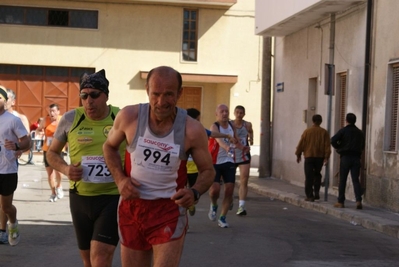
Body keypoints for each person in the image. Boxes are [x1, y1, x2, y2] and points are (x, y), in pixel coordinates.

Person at [102, 66, 215, 267]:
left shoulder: (191, 129)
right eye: (156, 94)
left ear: (180, 93)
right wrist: (120, 180)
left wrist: (194, 192)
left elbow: (208, 171)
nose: (161, 102)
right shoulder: (129, 117)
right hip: (132, 207)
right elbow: (109, 147)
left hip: (169, 211)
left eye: (169, 94)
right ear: (147, 90)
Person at [46, 69, 124, 267]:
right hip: (80, 198)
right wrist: (66, 170)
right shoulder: (71, 119)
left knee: (100, 258)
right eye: (84, 95)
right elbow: (51, 153)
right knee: (88, 261)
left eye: (95, 95)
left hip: (113, 197)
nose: (89, 100)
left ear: (106, 95)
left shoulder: (121, 117)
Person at [186, 108, 235, 216]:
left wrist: (226, 135)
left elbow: (212, 134)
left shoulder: (198, 129)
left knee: (192, 193)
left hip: (193, 167)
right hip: (181, 166)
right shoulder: (178, 129)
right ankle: (183, 221)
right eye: (198, 119)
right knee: (181, 193)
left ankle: (191, 204)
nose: (199, 122)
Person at [208, 104, 249, 228]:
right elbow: (219, 141)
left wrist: (243, 148)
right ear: (217, 114)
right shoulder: (215, 126)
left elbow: (235, 140)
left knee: (229, 190)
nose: (225, 113)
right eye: (222, 111)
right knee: (214, 191)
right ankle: (214, 204)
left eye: (226, 111)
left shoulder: (231, 126)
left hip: (229, 161)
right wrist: (226, 147)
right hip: (215, 162)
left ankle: (222, 217)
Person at [0, 86, 30, 246]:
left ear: (5, 101)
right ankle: (2, 231)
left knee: (6, 207)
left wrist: (17, 147)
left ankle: (12, 222)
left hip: (7, 170)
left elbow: (27, 141)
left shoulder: (13, 120)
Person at [331, 113, 365, 209]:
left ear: (346, 120)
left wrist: (339, 148)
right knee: (355, 180)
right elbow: (362, 145)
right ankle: (358, 200)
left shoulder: (343, 131)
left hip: (345, 157)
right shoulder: (360, 132)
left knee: (342, 180)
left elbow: (333, 140)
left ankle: (341, 202)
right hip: (356, 158)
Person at [295, 114, 331, 202]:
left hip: (309, 156)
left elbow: (301, 144)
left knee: (309, 176)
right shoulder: (324, 132)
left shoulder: (307, 131)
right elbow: (327, 146)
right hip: (319, 157)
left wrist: (298, 154)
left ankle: (310, 196)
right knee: (317, 174)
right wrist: (326, 157)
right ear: (321, 121)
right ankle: (317, 192)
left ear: (313, 121)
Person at [37, 104, 64, 202]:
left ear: (58, 112)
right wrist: (39, 132)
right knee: (50, 173)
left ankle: (59, 186)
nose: (51, 113)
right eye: (50, 111)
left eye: (53, 111)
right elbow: (38, 129)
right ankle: (53, 193)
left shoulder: (62, 120)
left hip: (59, 149)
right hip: (47, 149)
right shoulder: (45, 120)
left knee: (59, 172)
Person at [232, 105, 254, 216]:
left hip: (244, 155)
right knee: (229, 181)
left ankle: (241, 206)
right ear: (234, 113)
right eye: (237, 112)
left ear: (244, 114)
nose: (239, 114)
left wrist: (251, 139)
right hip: (231, 155)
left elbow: (251, 131)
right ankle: (229, 199)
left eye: (241, 113)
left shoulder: (247, 124)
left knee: (244, 180)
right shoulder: (230, 125)